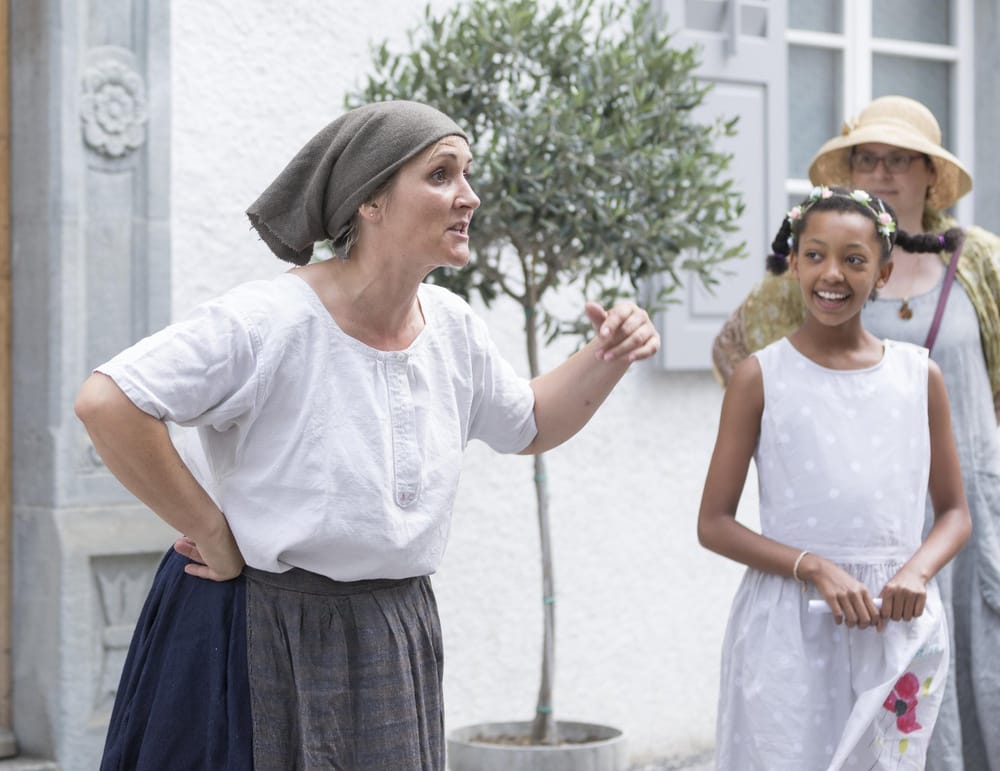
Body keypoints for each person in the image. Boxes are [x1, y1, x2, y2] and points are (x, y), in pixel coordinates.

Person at [73, 100, 661, 771]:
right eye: (442, 174)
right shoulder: (270, 320)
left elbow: (527, 423)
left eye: (467, 174)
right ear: (371, 201)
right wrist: (208, 528)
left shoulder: (452, 326)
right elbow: (108, 401)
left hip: (388, 635)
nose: (468, 196)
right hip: (252, 625)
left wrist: (607, 355)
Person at [711, 95, 1000, 770]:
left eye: (899, 158)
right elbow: (739, 354)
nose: (882, 170)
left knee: (960, 686)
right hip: (831, 548)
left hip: (951, 515)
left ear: (930, 173)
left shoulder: (977, 261)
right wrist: (797, 422)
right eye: (868, 158)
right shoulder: (798, 292)